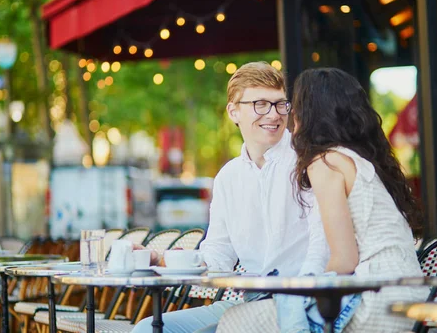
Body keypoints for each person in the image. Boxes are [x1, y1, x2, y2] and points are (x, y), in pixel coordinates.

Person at [132, 61, 329, 333]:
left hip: (299, 304)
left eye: (280, 104)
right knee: (147, 329)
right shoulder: (228, 177)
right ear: (233, 111)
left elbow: (323, 245)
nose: (273, 115)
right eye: (260, 104)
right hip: (247, 302)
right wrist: (162, 258)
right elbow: (218, 256)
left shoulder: (309, 161)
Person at [289, 67, 428, 332]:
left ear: (307, 114)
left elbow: (344, 260)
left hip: (377, 299)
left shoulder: (326, 161)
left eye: (295, 107)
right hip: (407, 295)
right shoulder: (359, 161)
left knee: (241, 320)